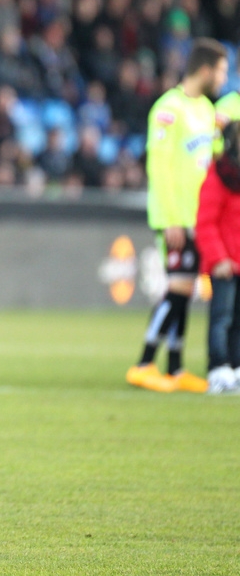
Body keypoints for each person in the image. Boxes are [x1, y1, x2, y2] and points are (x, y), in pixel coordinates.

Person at [126, 39, 229, 393]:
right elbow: (160, 166)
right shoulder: (168, 109)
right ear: (205, 69)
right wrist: (170, 217)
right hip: (175, 217)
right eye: (222, 70)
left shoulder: (204, 110)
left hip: (197, 216)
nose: (223, 78)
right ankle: (142, 364)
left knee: (183, 293)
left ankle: (174, 368)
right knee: (177, 289)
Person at [196, 121, 240, 394]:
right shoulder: (219, 175)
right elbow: (206, 222)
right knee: (221, 317)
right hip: (224, 263)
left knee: (238, 320)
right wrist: (218, 258)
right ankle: (218, 367)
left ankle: (236, 367)